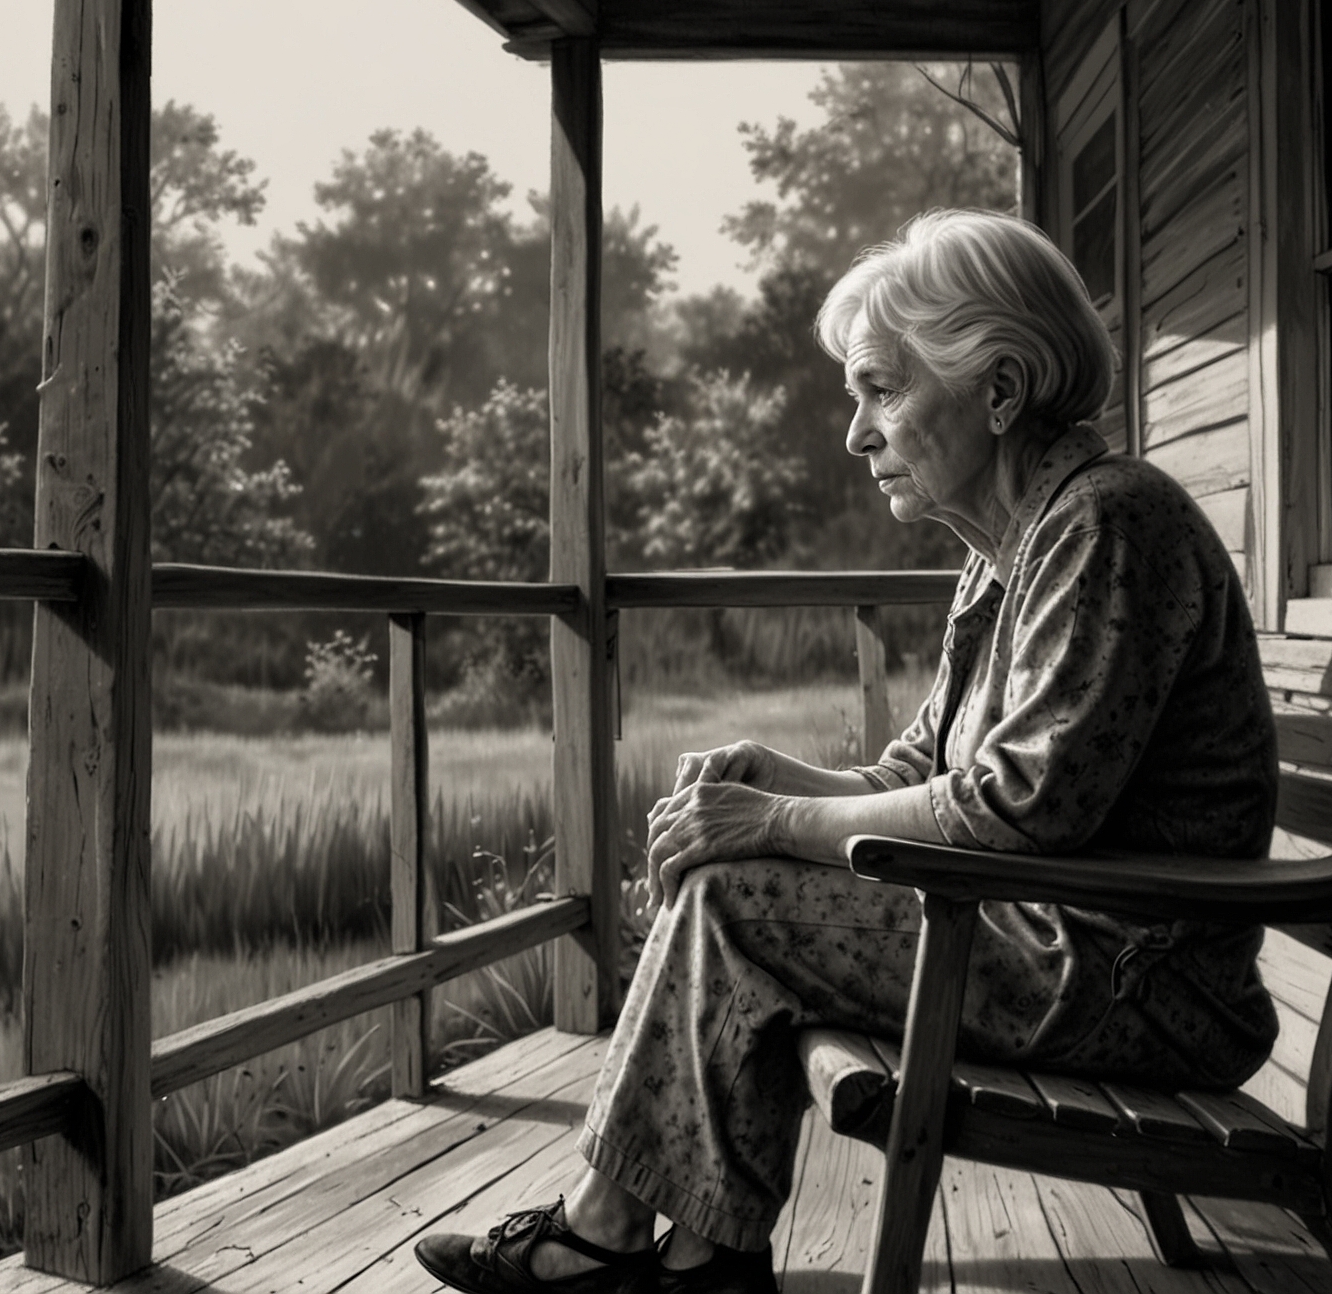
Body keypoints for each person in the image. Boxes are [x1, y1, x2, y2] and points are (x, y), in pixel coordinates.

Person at [414, 208, 1278, 1294]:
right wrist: (774, 777)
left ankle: (628, 1242)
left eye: (882, 390)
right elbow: (922, 775)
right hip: (1055, 939)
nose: (856, 435)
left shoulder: (1106, 527)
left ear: (999, 392)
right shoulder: (1015, 544)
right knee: (734, 874)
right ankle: (678, 1250)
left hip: (1135, 979)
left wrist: (772, 827)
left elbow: (1015, 813)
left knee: (740, 897)